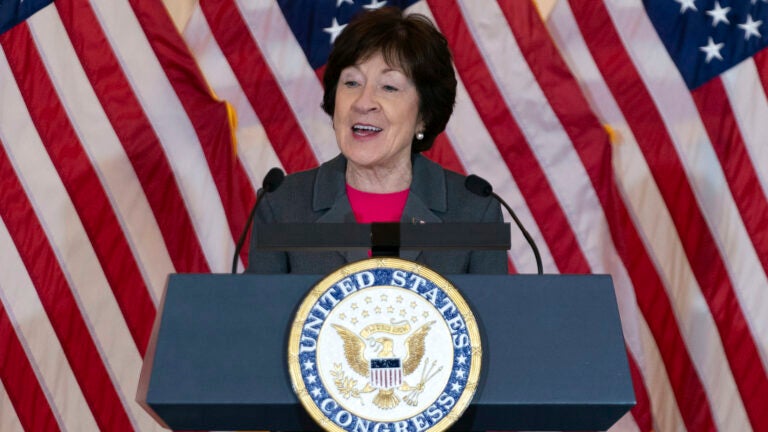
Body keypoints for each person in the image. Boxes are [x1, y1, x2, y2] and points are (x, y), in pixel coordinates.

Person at [246, 6, 507, 275]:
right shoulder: (282, 205)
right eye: (351, 83)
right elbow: (258, 314)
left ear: (424, 116)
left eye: (389, 87)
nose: (363, 102)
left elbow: (494, 315)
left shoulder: (475, 211)